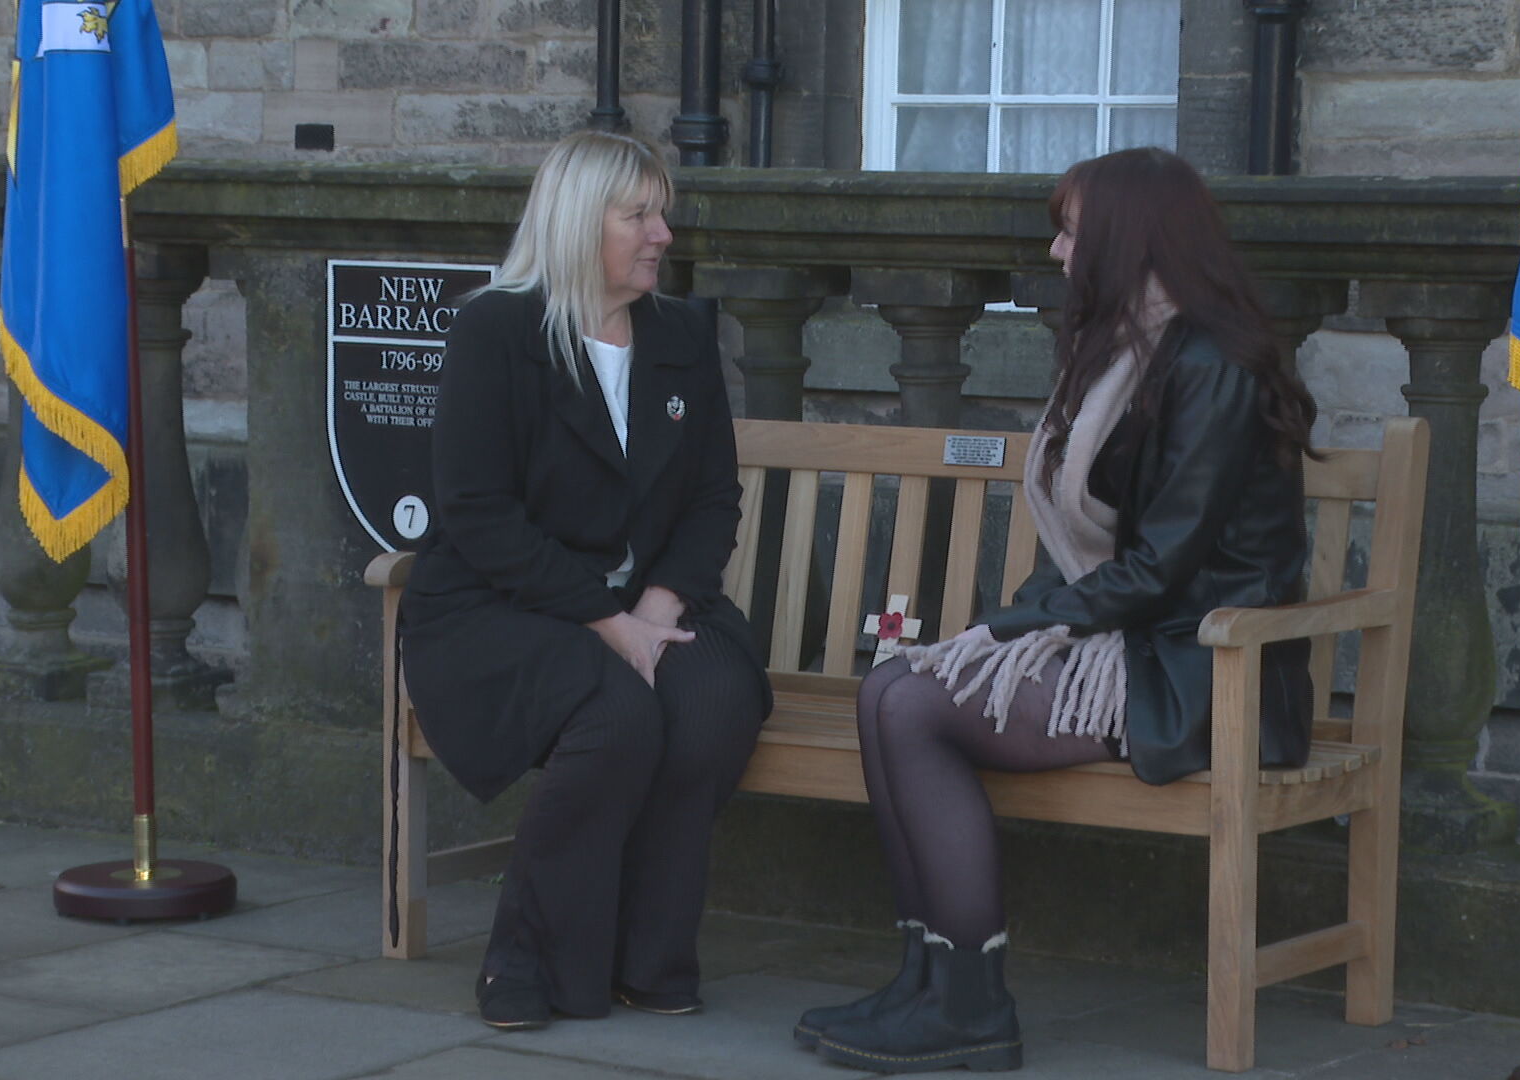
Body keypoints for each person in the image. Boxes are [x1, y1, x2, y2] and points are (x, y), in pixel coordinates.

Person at [795, 147, 1319, 1074]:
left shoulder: (1212, 363)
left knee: (912, 707)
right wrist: (1016, 620)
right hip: (1138, 639)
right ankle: (927, 979)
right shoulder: (1130, 348)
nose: (1055, 248)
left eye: (1072, 229)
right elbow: (1106, 553)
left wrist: (1010, 628)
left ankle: (971, 1004)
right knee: (889, 689)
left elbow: (1163, 568)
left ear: (1126, 238)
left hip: (1206, 666)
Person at [399, 130, 771, 1032]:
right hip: (498, 608)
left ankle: (647, 960)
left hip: (651, 601)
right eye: (637, 215)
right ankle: (524, 958)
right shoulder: (498, 330)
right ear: (576, 223)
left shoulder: (683, 336)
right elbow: (480, 514)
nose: (661, 235)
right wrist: (611, 623)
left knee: (714, 699)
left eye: (662, 214)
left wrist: (657, 607)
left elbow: (714, 499)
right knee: (616, 714)